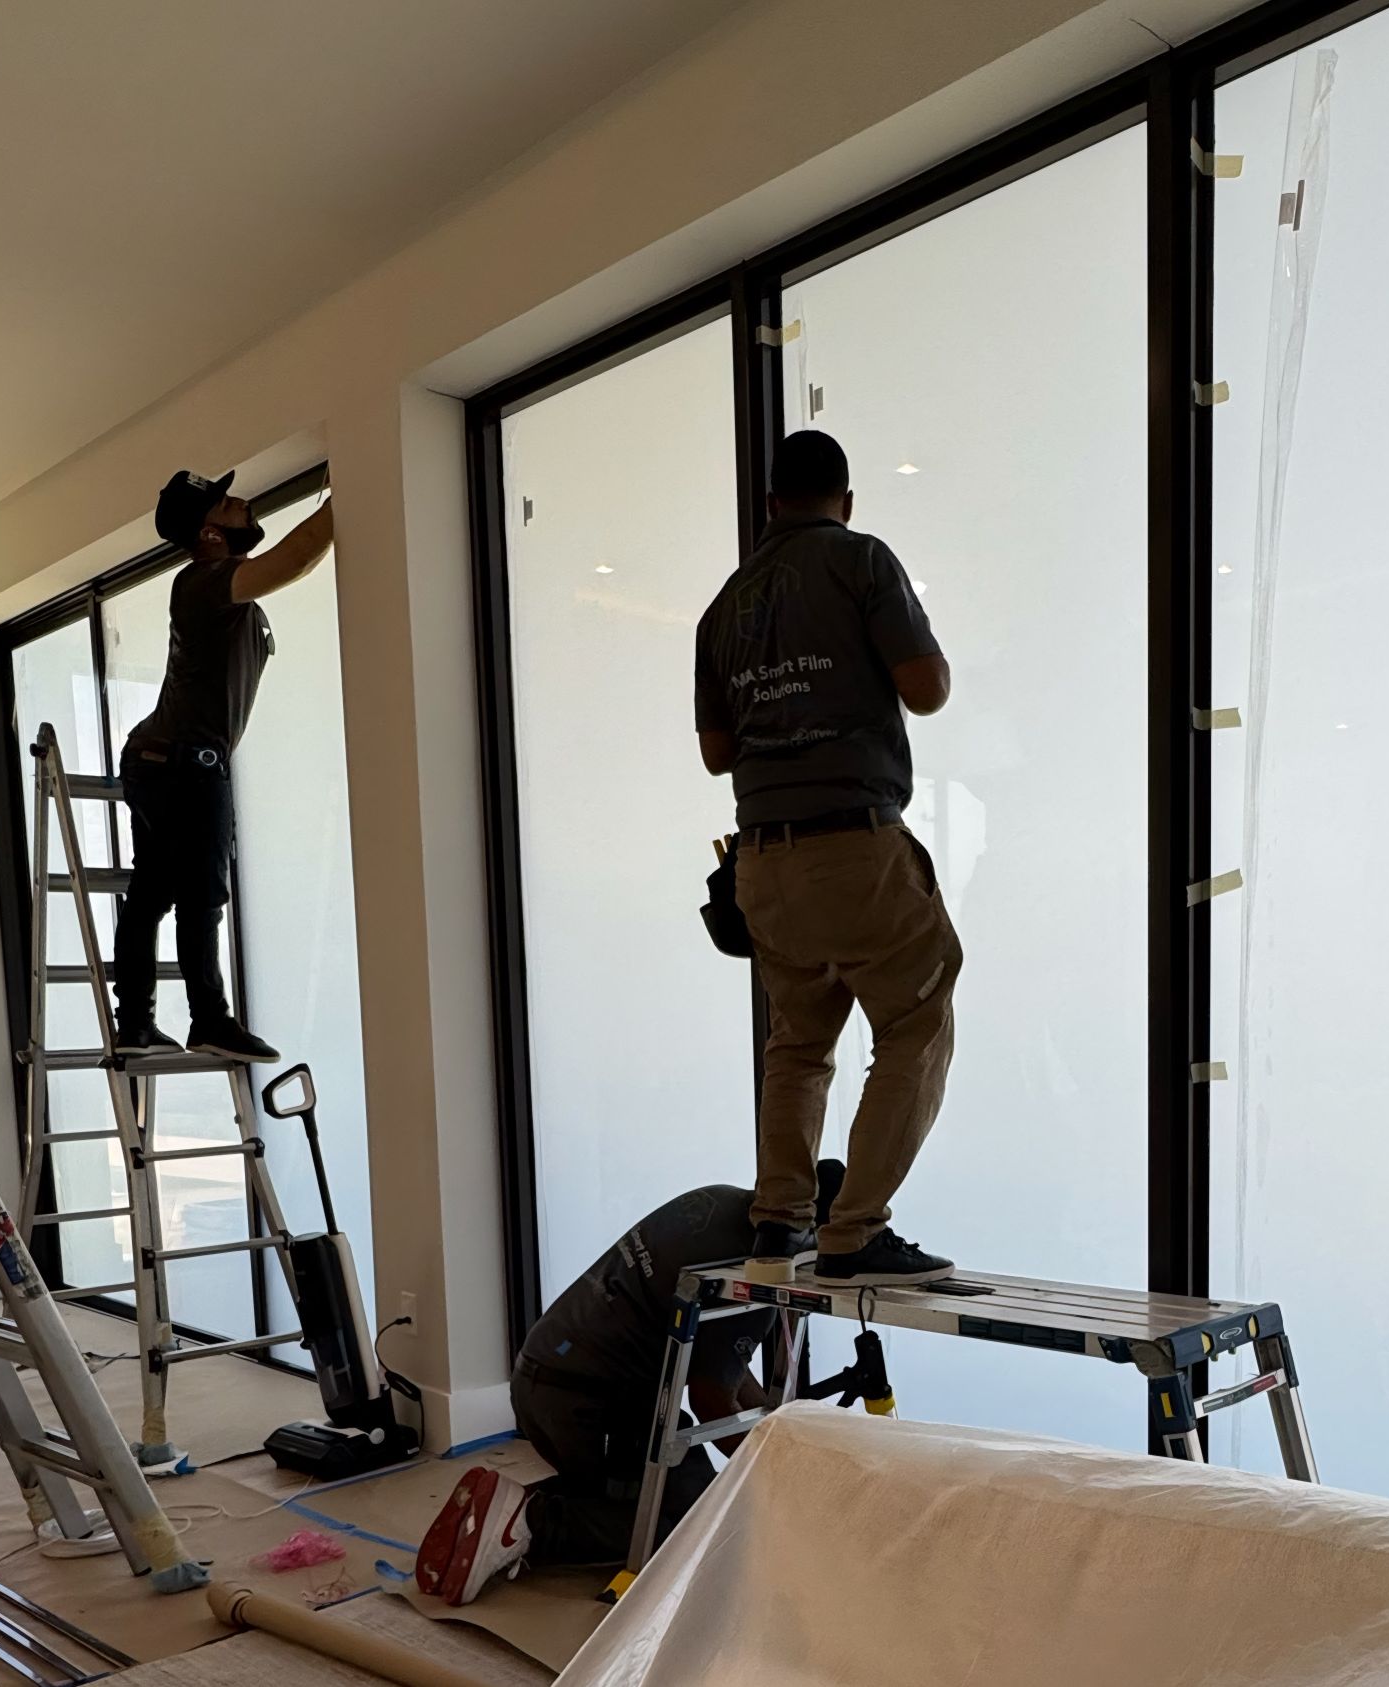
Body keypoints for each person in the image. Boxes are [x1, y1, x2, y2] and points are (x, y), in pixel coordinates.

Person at [694, 429, 961, 1289]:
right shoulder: (860, 561)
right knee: (915, 1022)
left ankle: (780, 1220)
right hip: (853, 844)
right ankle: (854, 1230)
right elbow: (926, 688)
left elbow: (716, 751)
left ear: (772, 502)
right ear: (844, 501)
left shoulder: (723, 606)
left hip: (763, 863)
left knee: (799, 1042)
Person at [409, 1170, 839, 1605]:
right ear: (814, 1234)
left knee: (683, 1487)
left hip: (550, 1379)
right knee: (688, 1522)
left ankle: (496, 1507)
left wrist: (775, 1429)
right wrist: (781, 1473)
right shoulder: (758, 1269)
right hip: (588, 1409)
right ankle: (529, 1522)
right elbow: (710, 1401)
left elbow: (723, 1364)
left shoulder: (723, 1203)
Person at [108, 469, 334, 1060]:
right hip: (182, 765)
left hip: (165, 760)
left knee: (154, 891)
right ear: (209, 534)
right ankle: (208, 1021)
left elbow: (292, 564)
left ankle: (135, 1025)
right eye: (226, 504)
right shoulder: (203, 581)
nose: (242, 503)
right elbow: (295, 559)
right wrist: (351, 494)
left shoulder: (219, 587)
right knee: (200, 895)